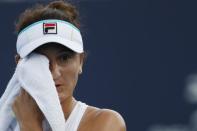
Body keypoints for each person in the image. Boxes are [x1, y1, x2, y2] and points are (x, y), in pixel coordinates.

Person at [11, 0, 126, 131]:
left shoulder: (107, 123)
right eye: (40, 60)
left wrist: (29, 124)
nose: (54, 73)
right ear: (20, 66)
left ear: (80, 61)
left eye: (64, 58)